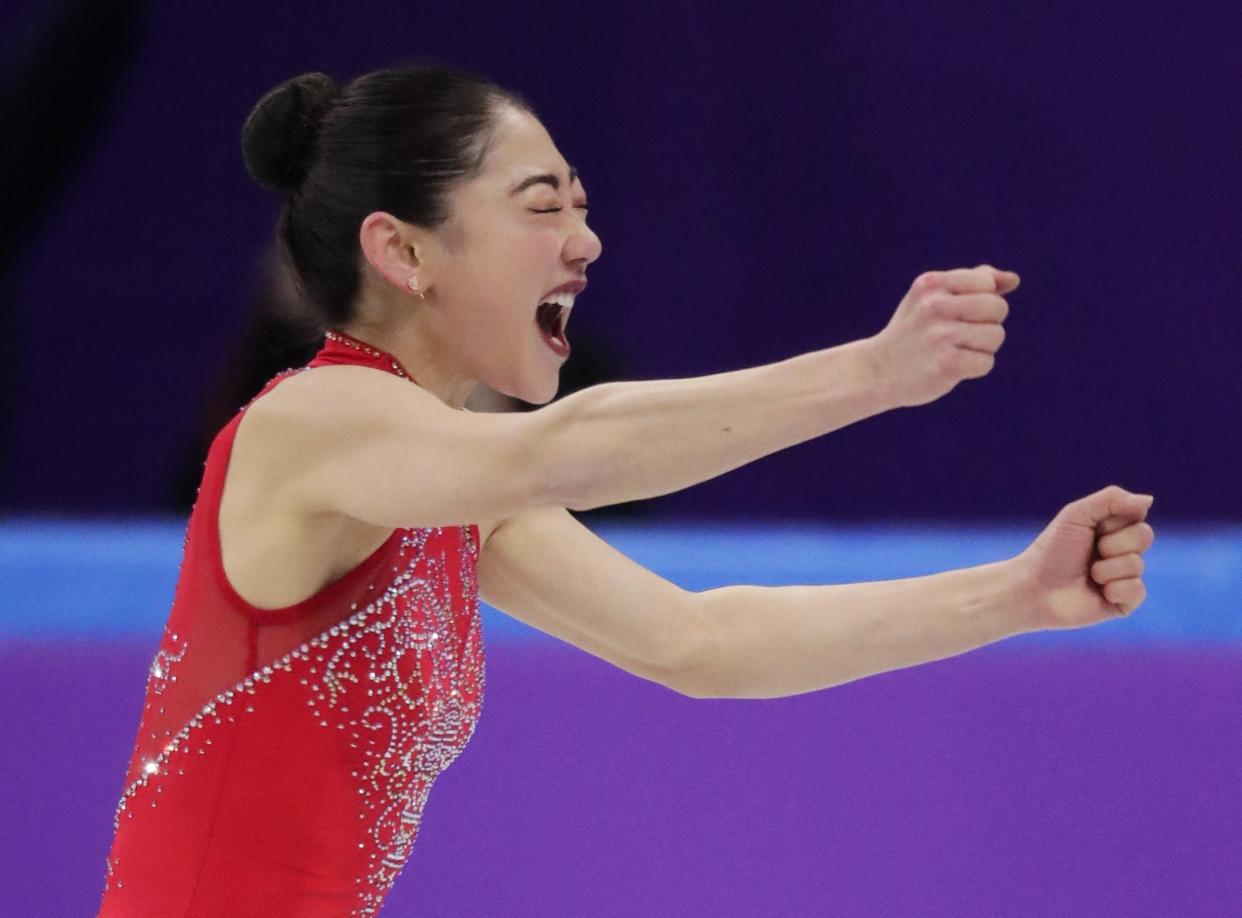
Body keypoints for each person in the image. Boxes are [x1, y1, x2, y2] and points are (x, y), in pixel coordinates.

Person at [98, 60, 1155, 916]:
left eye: (584, 206)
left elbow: (701, 644)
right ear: (404, 249)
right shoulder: (314, 421)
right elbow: (562, 448)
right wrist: (871, 374)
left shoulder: (452, 490)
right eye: (541, 204)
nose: (585, 241)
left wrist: (1015, 596)